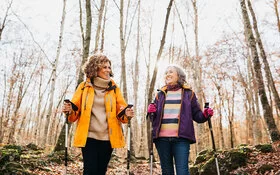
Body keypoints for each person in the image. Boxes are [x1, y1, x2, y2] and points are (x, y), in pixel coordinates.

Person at [62, 53, 134, 175]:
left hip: (108, 138)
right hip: (89, 137)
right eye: (104, 67)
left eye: (109, 67)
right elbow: (74, 112)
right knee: (90, 170)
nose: (108, 70)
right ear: (95, 68)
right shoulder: (84, 87)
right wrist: (68, 110)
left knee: (101, 171)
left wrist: (127, 113)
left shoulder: (114, 88)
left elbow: (121, 110)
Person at [147, 64, 213, 175]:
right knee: (167, 172)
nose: (167, 74)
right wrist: (151, 112)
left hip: (181, 139)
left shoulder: (188, 94)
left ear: (179, 75)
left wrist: (205, 115)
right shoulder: (160, 95)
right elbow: (153, 118)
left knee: (183, 171)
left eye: (170, 72)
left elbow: (197, 115)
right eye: (166, 72)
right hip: (162, 139)